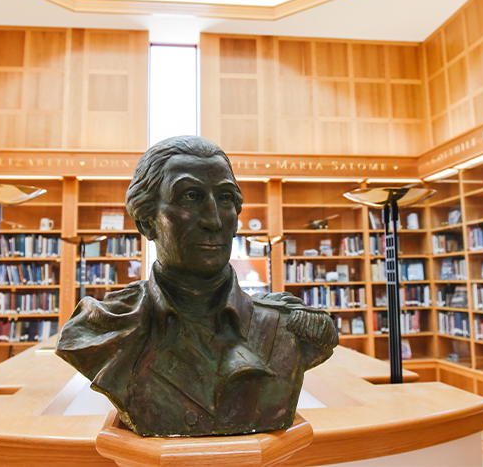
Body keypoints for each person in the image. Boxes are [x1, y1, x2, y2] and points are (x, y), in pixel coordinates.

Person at [56, 135, 338, 437]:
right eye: (190, 196)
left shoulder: (284, 330)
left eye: (226, 198)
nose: (214, 220)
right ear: (147, 221)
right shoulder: (105, 330)